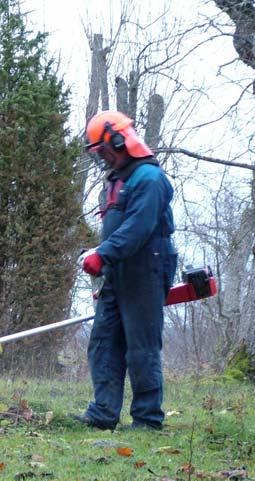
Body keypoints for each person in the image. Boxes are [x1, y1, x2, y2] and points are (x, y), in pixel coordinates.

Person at [73, 110, 177, 431]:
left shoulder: (150, 179)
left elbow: (138, 228)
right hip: (118, 271)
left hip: (146, 268)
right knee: (104, 340)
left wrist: (103, 255)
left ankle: (147, 418)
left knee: (140, 346)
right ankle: (103, 412)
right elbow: (117, 229)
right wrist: (98, 257)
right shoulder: (118, 180)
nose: (103, 158)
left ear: (119, 140)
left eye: (104, 151)